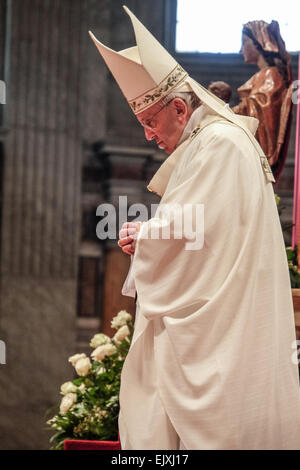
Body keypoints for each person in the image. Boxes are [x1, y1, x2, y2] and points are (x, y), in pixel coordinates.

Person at [90, 6, 300, 449]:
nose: (148, 135)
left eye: (149, 122)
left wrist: (144, 235)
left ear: (181, 108)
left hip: (222, 330)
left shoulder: (218, 144)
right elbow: (202, 226)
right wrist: (150, 235)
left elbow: (202, 231)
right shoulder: (219, 141)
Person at [233, 20, 293, 181]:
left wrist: (227, 112)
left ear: (260, 43)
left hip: (260, 155)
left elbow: (257, 113)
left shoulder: (271, 75)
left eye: (245, 42)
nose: (241, 49)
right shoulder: (264, 75)